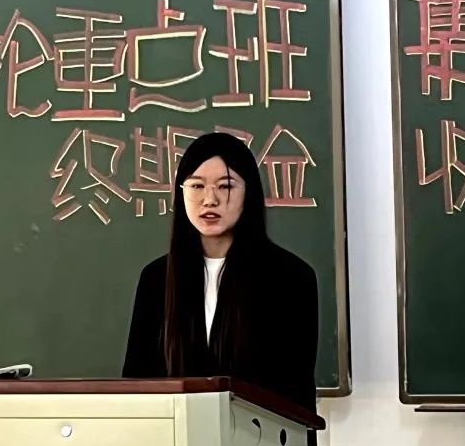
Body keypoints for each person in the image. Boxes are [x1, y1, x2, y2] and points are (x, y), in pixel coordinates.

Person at [121, 131, 319, 415]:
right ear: (181, 192)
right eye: (196, 186)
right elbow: (137, 383)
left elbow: (295, 391)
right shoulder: (156, 278)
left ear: (248, 193)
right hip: (174, 434)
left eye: (225, 186)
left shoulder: (291, 277)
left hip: (258, 434)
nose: (209, 199)